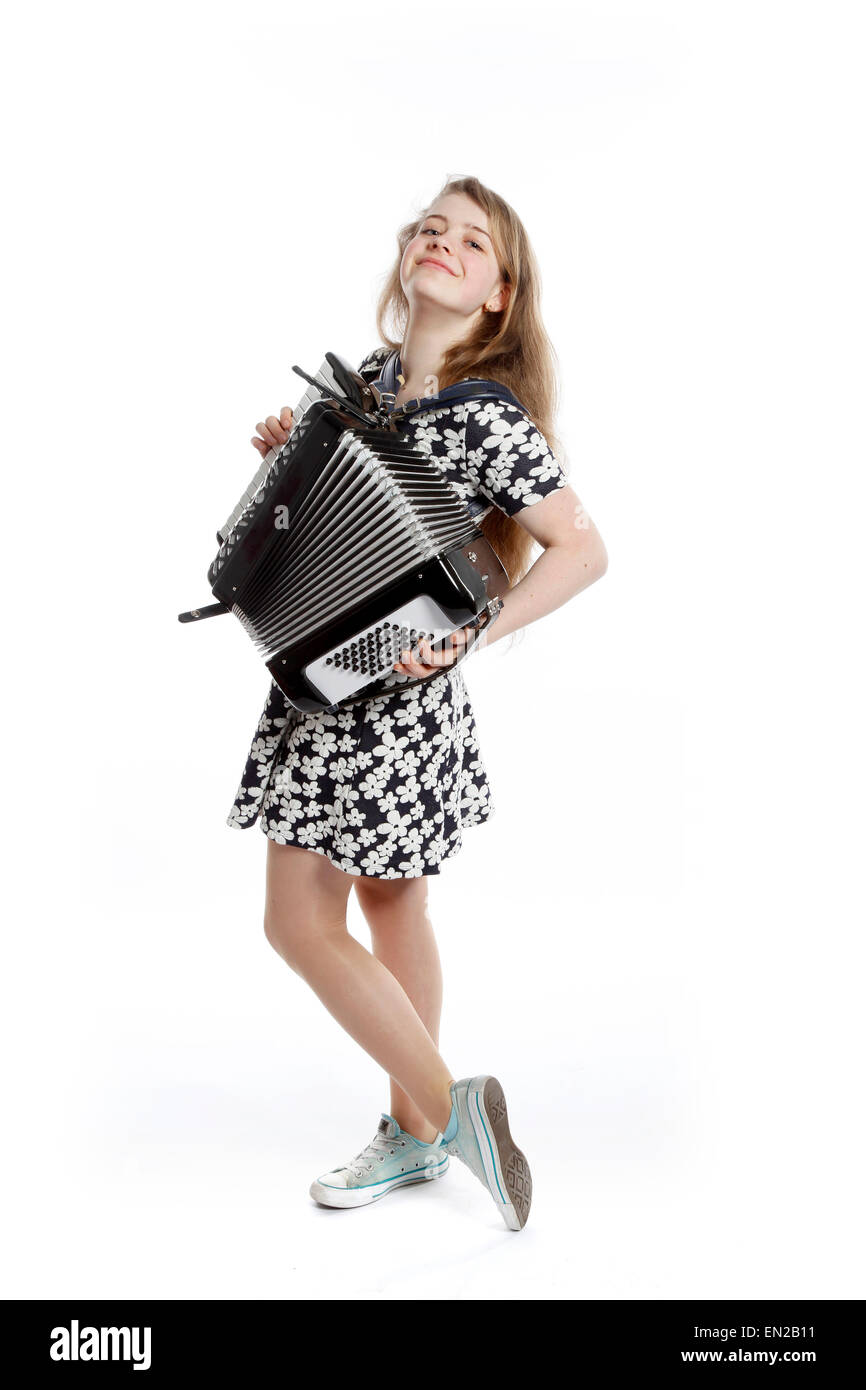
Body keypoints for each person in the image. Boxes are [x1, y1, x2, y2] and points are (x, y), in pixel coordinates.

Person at [227, 176, 608, 1230]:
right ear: (406, 258)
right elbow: (303, 535)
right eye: (429, 229)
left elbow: (582, 549)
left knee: (339, 915)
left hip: (400, 697)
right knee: (346, 914)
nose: (442, 243)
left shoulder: (485, 416)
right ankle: (431, 1121)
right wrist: (286, 463)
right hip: (320, 684)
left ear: (496, 293)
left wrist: (473, 632)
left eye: (470, 240)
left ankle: (427, 1120)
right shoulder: (360, 385)